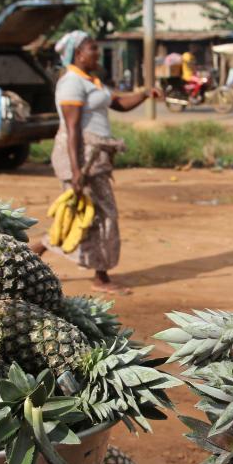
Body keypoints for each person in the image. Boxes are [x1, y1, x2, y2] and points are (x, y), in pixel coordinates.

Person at [33, 30, 161, 295]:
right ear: (78, 53)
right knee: (98, 214)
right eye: (92, 48)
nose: (97, 52)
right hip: (81, 157)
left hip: (94, 156)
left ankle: (39, 251)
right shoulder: (71, 83)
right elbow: (72, 129)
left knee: (89, 214)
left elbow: (119, 103)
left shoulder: (91, 81)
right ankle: (99, 276)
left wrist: (145, 94)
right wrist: (77, 170)